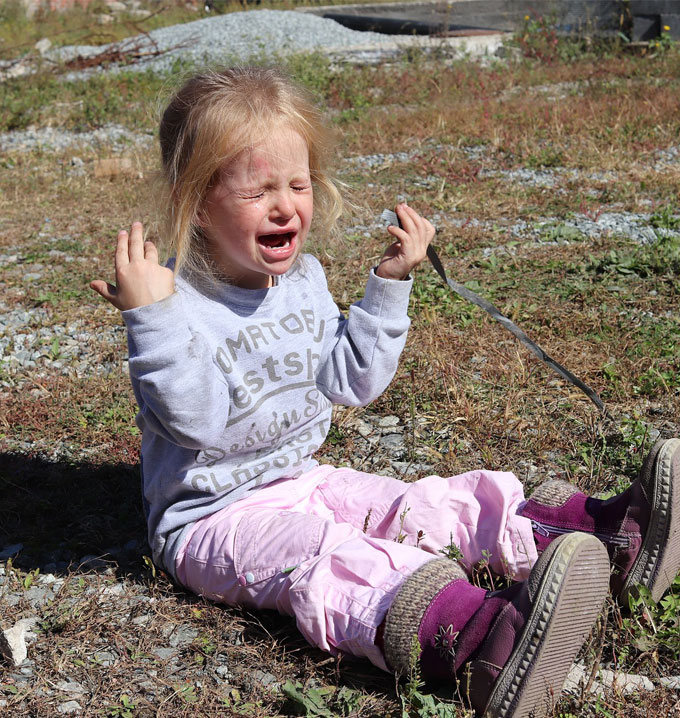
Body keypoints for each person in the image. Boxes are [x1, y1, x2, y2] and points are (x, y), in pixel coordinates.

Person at [90, 67, 680, 718]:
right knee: (327, 557)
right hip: (212, 522)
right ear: (197, 200)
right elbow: (195, 425)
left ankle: (603, 537)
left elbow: (352, 382)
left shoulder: (303, 278)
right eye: (259, 190)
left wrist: (389, 283)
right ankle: (477, 641)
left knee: (412, 503)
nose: (286, 206)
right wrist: (151, 319)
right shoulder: (175, 307)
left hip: (302, 478)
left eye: (298, 184)